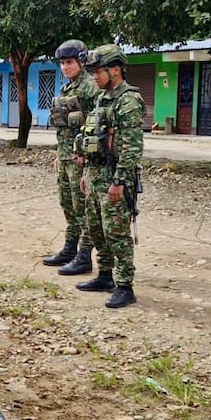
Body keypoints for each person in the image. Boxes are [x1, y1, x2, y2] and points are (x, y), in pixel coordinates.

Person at [74, 44, 144, 307]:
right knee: (95, 228)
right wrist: (86, 174)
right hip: (94, 174)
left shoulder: (128, 100)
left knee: (116, 232)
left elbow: (131, 147)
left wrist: (119, 181)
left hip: (114, 178)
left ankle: (125, 285)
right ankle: (105, 275)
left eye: (98, 71)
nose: (94, 76)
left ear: (115, 70)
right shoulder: (104, 97)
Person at [42, 39, 101, 276]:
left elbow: (96, 123)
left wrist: (86, 155)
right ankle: (70, 247)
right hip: (66, 156)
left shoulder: (90, 87)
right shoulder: (68, 87)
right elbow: (65, 127)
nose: (65, 68)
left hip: (81, 158)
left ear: (81, 62)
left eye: (69, 62)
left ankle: (84, 255)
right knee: (68, 204)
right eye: (62, 63)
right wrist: (60, 153)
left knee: (84, 207)